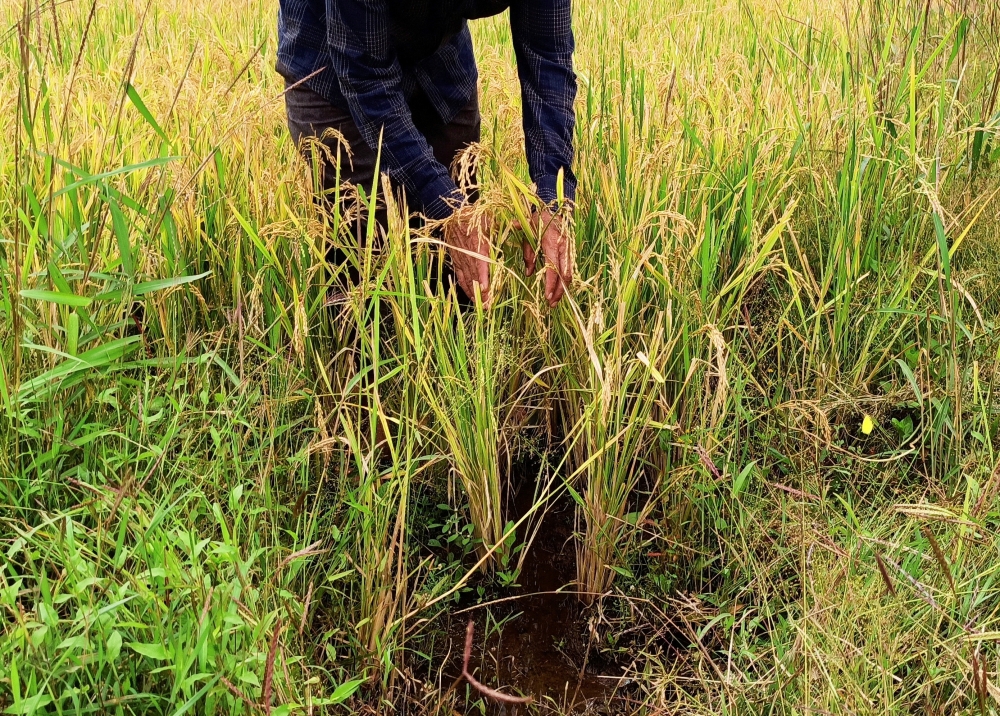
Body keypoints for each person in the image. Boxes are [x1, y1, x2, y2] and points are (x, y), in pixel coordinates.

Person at [276, 0, 577, 307]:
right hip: (331, 56)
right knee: (364, 268)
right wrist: (446, 206)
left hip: (439, 56)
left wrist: (554, 194)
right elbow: (365, 79)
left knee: (460, 273)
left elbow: (547, 53)